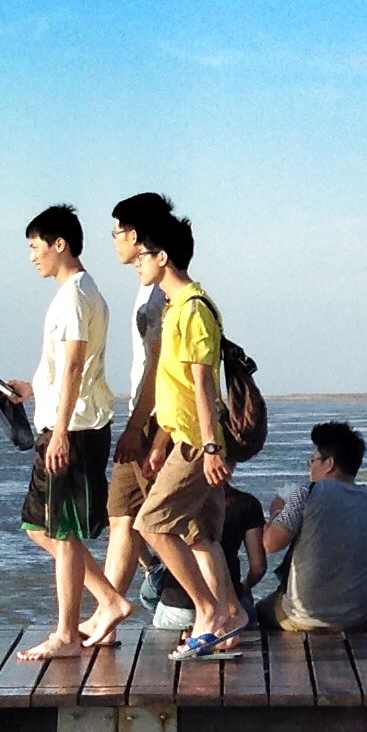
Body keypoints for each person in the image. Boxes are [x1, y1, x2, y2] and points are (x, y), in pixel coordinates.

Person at [133, 213, 250, 660]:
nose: (137, 262)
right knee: (200, 535)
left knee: (151, 523)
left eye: (142, 255)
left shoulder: (194, 309)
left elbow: (203, 384)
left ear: (163, 257)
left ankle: (210, 610)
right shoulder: (175, 308)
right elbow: (176, 390)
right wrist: (161, 443)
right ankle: (231, 615)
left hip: (197, 445)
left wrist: (210, 447)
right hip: (183, 438)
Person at [10, 206, 119, 662]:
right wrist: (32, 388)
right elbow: (66, 366)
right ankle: (109, 600)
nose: (32, 256)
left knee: (65, 530)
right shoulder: (75, 293)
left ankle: (66, 633)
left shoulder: (76, 293)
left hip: (72, 428)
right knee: (40, 526)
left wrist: (60, 431)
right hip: (65, 421)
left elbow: (76, 361)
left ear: (60, 244)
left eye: (36, 246)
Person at [84, 191, 178, 644]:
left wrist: (142, 429)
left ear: (136, 236)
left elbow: (161, 368)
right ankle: (109, 609)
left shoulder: (161, 292)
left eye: (117, 232)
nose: (115, 241)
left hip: (155, 423)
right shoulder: (147, 286)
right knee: (121, 515)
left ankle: (211, 610)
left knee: (169, 525)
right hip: (141, 419)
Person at [247, 420, 367, 635]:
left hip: (304, 616)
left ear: (329, 463)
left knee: (260, 610)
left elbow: (271, 543)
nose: (310, 469)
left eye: (312, 461)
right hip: (360, 617)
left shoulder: (305, 493)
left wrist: (277, 510)